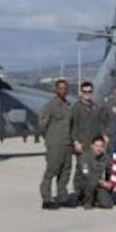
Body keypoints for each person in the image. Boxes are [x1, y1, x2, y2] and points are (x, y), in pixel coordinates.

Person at [38, 78, 73, 209]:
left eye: (65, 88)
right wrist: (50, 139)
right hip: (55, 144)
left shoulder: (69, 105)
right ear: (56, 89)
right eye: (61, 88)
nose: (63, 91)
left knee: (65, 171)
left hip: (67, 143)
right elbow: (42, 125)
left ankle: (62, 197)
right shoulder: (50, 106)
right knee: (51, 170)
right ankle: (46, 199)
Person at [70, 81, 107, 200]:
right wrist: (75, 141)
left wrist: (103, 139)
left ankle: (94, 194)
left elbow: (100, 124)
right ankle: (79, 193)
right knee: (81, 170)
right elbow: (73, 125)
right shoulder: (76, 107)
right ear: (81, 92)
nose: (87, 94)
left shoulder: (95, 107)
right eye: (85, 91)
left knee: (96, 170)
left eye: (89, 91)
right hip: (83, 145)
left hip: (95, 146)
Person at [75, 134, 114, 210]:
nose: (98, 148)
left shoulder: (105, 157)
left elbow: (111, 170)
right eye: (96, 146)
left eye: (101, 146)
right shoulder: (84, 157)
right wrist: (103, 183)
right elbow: (87, 175)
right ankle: (86, 201)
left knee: (108, 204)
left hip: (97, 184)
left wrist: (110, 181)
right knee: (91, 182)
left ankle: (95, 200)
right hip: (83, 184)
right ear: (92, 146)